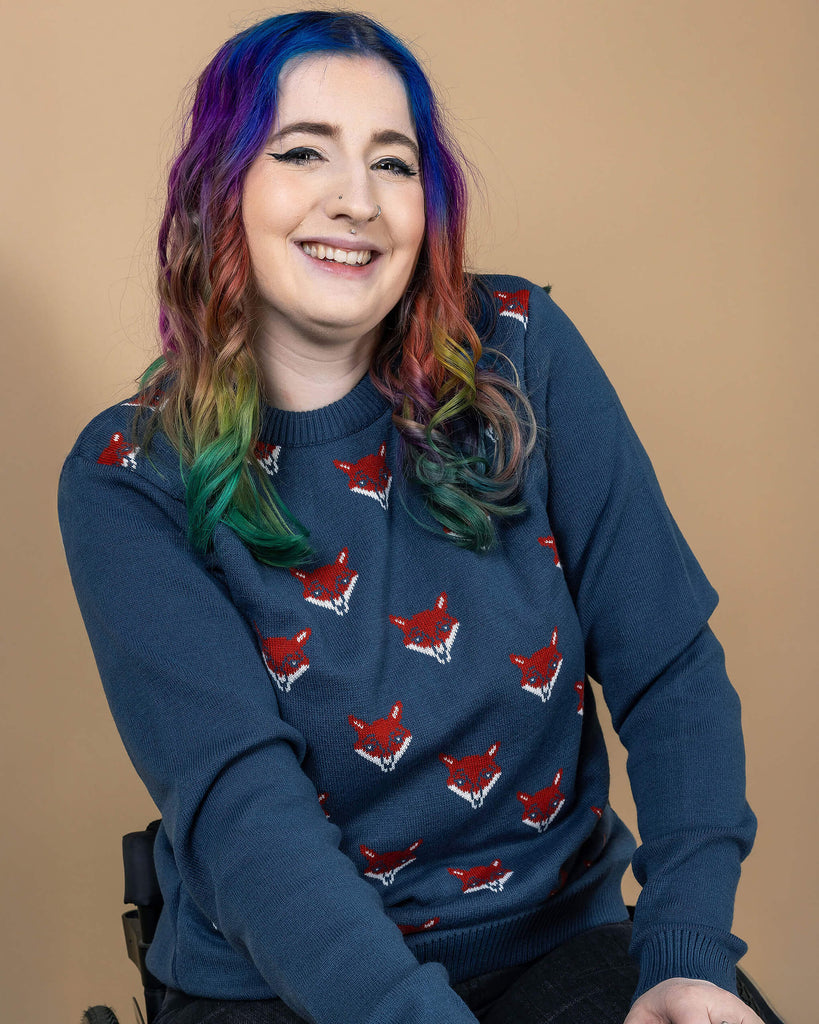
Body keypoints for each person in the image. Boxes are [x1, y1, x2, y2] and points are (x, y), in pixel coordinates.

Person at [59, 10, 762, 1024]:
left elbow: (672, 669)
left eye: (393, 164)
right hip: (278, 980)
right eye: (303, 152)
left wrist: (688, 952)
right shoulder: (129, 475)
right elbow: (249, 826)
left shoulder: (522, 350)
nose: (357, 201)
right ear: (224, 190)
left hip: (557, 945)